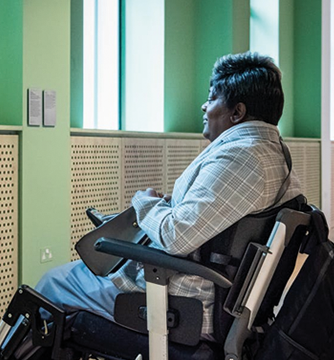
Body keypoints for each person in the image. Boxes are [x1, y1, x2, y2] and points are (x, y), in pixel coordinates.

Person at [26, 52, 303, 355]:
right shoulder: (275, 155)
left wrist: (145, 203)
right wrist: (172, 204)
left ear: (237, 112)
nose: (204, 106)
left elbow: (176, 236)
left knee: (52, 284)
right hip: (221, 300)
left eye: (211, 99)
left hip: (182, 303)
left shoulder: (241, 158)